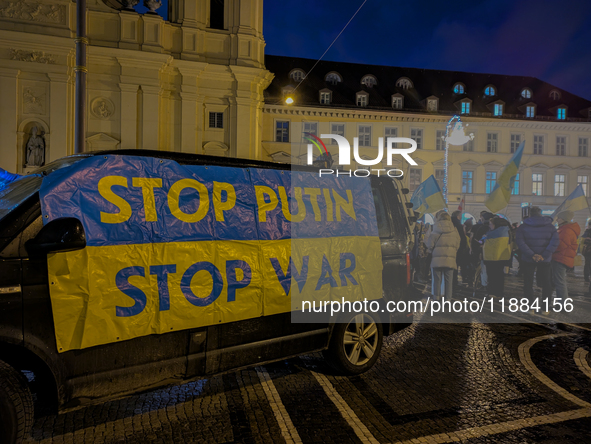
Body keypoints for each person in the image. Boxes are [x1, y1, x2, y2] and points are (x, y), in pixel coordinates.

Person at [515, 206, 559, 302]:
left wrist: (532, 254)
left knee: (528, 282)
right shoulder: (550, 227)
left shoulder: (523, 227)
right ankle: (545, 307)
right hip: (545, 259)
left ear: (530, 214)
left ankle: (530, 306)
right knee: (547, 283)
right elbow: (555, 242)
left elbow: (520, 242)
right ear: (541, 213)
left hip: (528, 258)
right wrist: (545, 254)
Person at [425, 212, 460, 300]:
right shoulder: (454, 229)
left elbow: (430, 244)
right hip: (450, 258)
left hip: (437, 258)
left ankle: (436, 297)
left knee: (437, 279)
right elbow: (457, 243)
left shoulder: (435, 228)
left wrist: (431, 250)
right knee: (449, 281)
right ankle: (448, 299)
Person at [551, 211, 580, 299]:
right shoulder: (565, 229)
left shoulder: (566, 230)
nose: (557, 220)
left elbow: (560, 245)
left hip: (561, 258)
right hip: (561, 257)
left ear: (563, 219)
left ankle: (562, 303)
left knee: (560, 282)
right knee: (558, 281)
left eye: (558, 218)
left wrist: (549, 250)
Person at [482, 217, 512, 297]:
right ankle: (499, 291)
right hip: (501, 257)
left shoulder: (491, 234)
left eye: (491, 224)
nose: (489, 226)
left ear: (496, 224)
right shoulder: (506, 231)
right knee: (499, 275)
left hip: (491, 257)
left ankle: (492, 291)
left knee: (492, 275)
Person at [472, 211, 494, 291]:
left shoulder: (482, 227)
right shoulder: (495, 228)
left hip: (484, 251)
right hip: (494, 252)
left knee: (484, 269)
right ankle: (490, 284)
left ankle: (485, 284)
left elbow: (477, 239)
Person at [451, 210, 469, 288]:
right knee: (460, 264)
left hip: (452, 248)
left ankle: (453, 280)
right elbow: (462, 238)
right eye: (461, 215)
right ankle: (460, 280)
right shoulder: (458, 225)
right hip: (459, 249)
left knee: (454, 266)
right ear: (458, 216)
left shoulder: (450, 223)